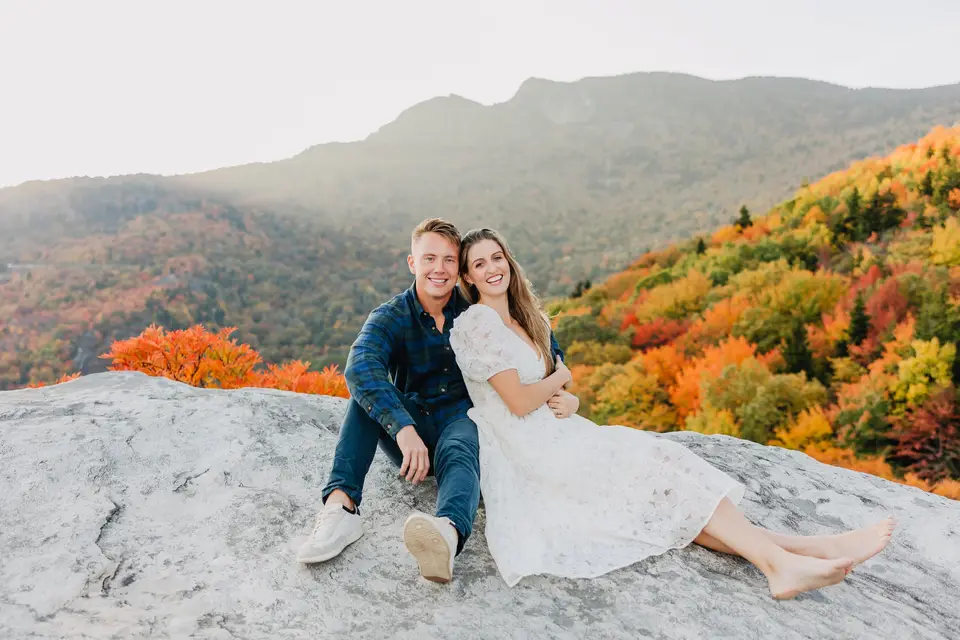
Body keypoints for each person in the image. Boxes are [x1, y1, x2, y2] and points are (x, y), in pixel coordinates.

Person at [447, 227, 896, 599]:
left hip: (558, 433)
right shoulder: (476, 324)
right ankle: (794, 558)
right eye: (479, 264)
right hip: (532, 453)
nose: (492, 269)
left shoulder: (525, 319)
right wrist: (559, 376)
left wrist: (571, 395)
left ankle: (806, 553)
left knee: (664, 499)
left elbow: (545, 389)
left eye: (497, 257)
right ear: (467, 278)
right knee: (662, 469)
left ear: (509, 260)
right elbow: (521, 401)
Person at [297, 218, 547, 584]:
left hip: (462, 422)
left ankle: (446, 532)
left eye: (449, 260)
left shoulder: (476, 310)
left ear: (459, 268)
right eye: (429, 258)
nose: (439, 269)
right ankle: (341, 509)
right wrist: (403, 428)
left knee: (465, 439)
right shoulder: (392, 316)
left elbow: (537, 341)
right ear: (413, 263)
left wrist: (562, 385)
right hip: (412, 429)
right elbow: (361, 365)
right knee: (363, 395)